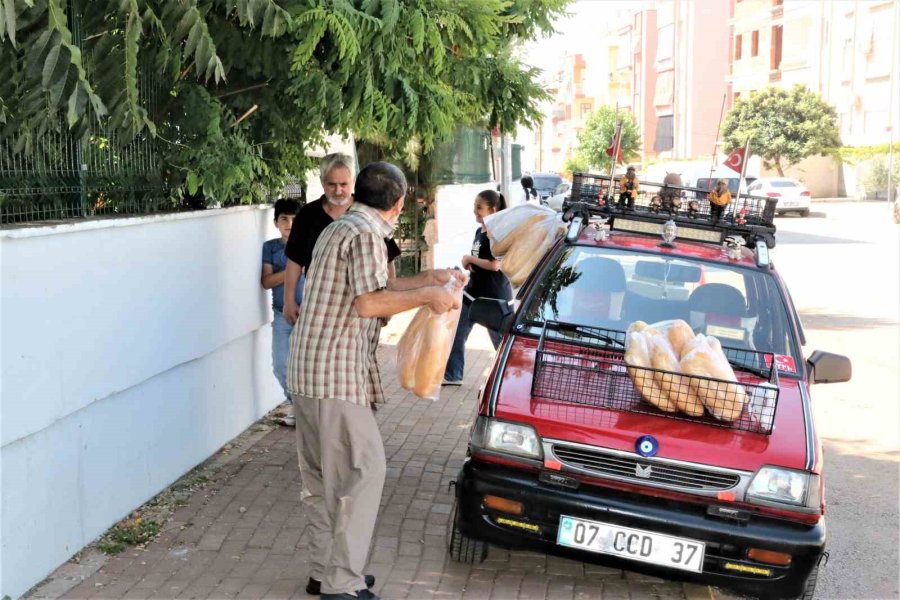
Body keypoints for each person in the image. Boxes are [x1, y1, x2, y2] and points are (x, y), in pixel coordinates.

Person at [287, 162, 463, 600]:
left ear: (359, 191)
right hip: (334, 375)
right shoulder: (366, 234)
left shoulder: (341, 227)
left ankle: (324, 571)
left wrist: (427, 278)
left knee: (321, 479)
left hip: (309, 371)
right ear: (399, 201)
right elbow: (369, 303)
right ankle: (341, 582)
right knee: (364, 472)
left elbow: (377, 285)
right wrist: (428, 296)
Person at [283, 154, 401, 327]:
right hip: (320, 307)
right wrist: (289, 300)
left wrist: (387, 302)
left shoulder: (369, 212)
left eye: (343, 184)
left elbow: (388, 259)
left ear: (352, 181)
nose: (338, 191)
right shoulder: (307, 215)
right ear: (322, 181)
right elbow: (294, 261)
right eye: (332, 184)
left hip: (362, 308)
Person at [442, 190, 513, 385]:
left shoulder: (497, 233)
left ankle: (511, 377)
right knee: (457, 331)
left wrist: (469, 259)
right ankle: (453, 374)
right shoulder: (478, 231)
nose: (475, 211)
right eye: (475, 206)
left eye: (479, 208)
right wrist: (468, 265)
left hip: (494, 299)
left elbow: (495, 265)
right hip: (472, 294)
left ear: (493, 209)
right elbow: (482, 261)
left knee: (503, 344)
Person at [260, 199, 302, 426]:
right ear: (276, 222)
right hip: (281, 315)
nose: (289, 223)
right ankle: (297, 406)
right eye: (284, 219)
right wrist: (293, 270)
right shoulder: (271, 248)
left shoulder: (310, 246)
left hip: (309, 314)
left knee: (308, 367)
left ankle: (307, 413)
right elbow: (266, 281)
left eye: (294, 219)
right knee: (280, 364)